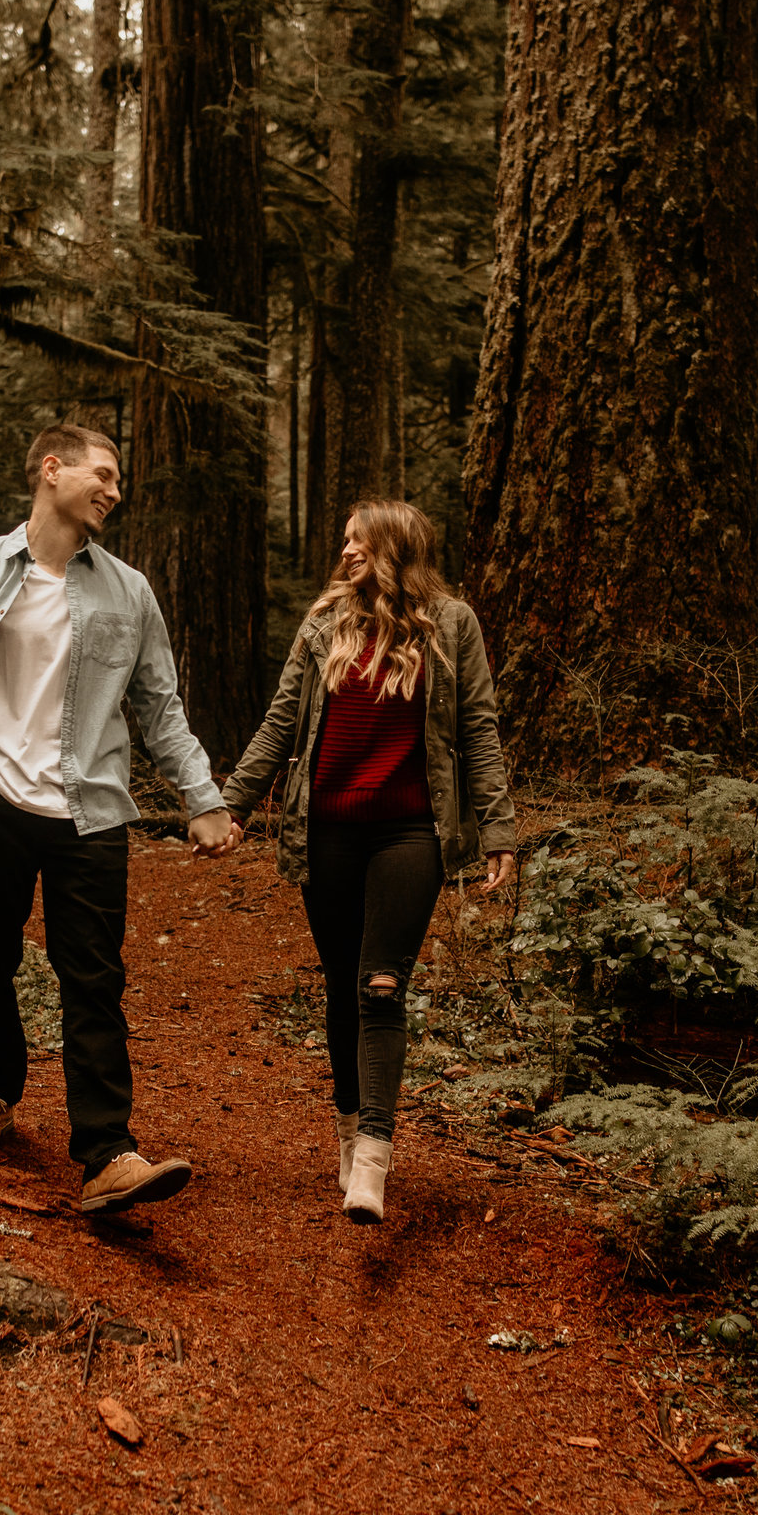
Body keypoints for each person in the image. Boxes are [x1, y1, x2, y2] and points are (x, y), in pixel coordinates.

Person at [0, 422, 239, 1216]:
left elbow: (160, 707)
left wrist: (204, 794)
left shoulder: (130, 590)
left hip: (89, 811)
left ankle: (107, 1152)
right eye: (104, 472)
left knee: (93, 976)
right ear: (51, 470)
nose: (114, 490)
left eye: (118, 479)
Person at [219, 500, 517, 1224]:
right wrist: (228, 804)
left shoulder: (452, 624)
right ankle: (349, 1130)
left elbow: (477, 725)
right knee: (341, 986)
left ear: (393, 547)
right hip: (327, 832)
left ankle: (375, 1158)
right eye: (345, 539)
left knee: (381, 984)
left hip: (410, 833)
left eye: (358, 541)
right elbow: (282, 722)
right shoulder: (324, 625)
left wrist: (500, 828)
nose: (345, 551)